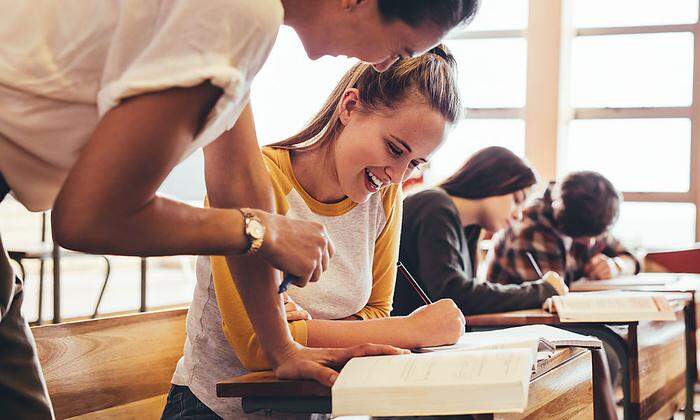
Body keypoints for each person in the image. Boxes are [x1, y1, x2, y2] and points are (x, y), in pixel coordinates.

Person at [0, 1, 479, 418]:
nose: (378, 63)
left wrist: (283, 347)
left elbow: (239, 184)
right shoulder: (237, 15)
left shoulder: (247, 18)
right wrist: (262, 232)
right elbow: (88, 218)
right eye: (396, 51)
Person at [163, 46, 467, 418]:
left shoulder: (385, 200)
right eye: (394, 149)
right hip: (213, 410)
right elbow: (258, 347)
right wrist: (412, 329)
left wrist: (304, 327)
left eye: (415, 163)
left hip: (316, 409)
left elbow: (376, 311)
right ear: (350, 107)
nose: (397, 175)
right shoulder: (255, 181)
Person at [392, 147, 567, 317]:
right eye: (517, 200)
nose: (518, 215)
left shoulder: (467, 228)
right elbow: (454, 297)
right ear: (494, 182)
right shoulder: (434, 206)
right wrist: (540, 291)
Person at [487, 171, 641, 286]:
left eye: (599, 235)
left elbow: (632, 257)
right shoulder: (531, 231)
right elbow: (555, 301)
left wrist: (616, 266)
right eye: (585, 237)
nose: (591, 243)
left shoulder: (591, 214)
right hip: (513, 324)